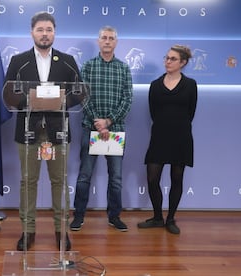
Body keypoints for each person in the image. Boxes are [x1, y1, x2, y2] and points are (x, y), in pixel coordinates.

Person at [4, 12, 83, 251]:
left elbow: (79, 92)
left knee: (59, 181)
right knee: (28, 181)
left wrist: (59, 102)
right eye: (40, 29)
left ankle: (62, 232)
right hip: (28, 130)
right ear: (32, 32)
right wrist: (31, 102)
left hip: (58, 131)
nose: (45, 34)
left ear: (54, 32)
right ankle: (28, 231)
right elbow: (9, 93)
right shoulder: (19, 61)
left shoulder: (68, 60)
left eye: (49, 29)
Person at [70, 26, 133, 232]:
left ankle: (114, 216)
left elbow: (127, 100)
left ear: (116, 42)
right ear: (98, 41)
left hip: (115, 131)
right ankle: (78, 216)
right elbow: (83, 96)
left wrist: (108, 122)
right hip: (91, 128)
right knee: (84, 175)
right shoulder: (88, 66)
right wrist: (98, 122)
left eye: (111, 38)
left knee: (116, 178)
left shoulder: (124, 69)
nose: (107, 41)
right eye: (104, 38)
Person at [137, 45, 197, 235]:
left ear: (183, 63)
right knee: (152, 178)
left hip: (181, 137)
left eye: (172, 59)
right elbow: (153, 112)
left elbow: (191, 112)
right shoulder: (155, 85)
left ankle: (170, 218)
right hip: (160, 136)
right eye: (166, 58)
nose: (167, 61)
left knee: (176, 178)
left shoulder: (190, 84)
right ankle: (157, 217)